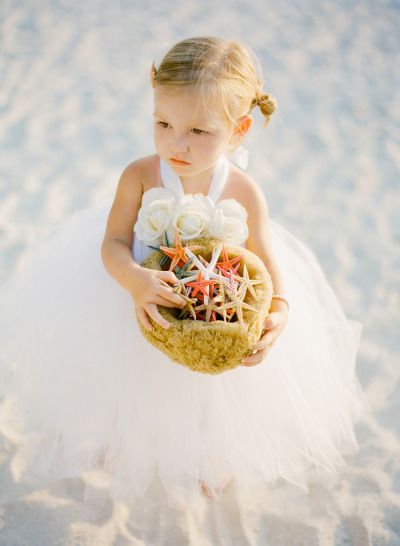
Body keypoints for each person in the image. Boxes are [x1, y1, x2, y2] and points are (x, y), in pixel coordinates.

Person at [0, 36, 369, 509]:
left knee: (210, 391)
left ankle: (207, 455)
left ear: (239, 130)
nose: (177, 142)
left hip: (209, 309)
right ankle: (118, 439)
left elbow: (266, 260)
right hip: (140, 298)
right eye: (163, 122)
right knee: (126, 376)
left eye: (199, 131)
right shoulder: (139, 176)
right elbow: (112, 243)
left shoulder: (244, 191)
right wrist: (134, 280)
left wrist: (280, 308)